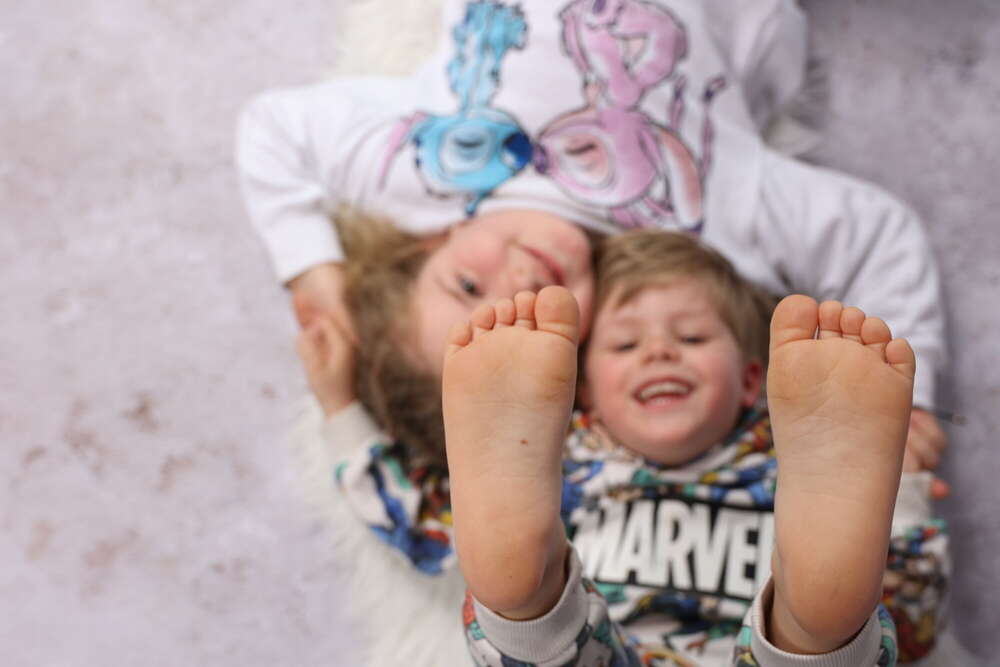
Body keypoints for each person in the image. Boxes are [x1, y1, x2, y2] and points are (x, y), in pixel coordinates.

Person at [238, 0, 948, 475]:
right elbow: (879, 238)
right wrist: (905, 399)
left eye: (468, 285)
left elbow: (270, 131)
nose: (521, 286)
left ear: (427, 245)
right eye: (531, 327)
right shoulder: (700, 238)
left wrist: (317, 280)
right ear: (585, 367)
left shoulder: (425, 168)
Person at [302, 228, 948, 665]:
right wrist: (340, 407)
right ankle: (529, 587)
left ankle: (814, 617)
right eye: (625, 344)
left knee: (847, 611)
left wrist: (901, 487)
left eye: (693, 337)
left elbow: (916, 618)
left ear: (754, 379)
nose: (660, 351)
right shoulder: (563, 455)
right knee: (836, 640)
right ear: (581, 390)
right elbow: (423, 516)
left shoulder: (794, 453)